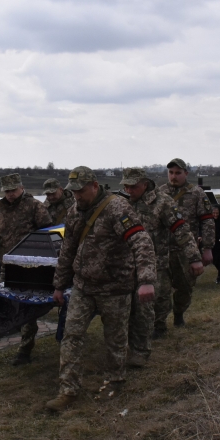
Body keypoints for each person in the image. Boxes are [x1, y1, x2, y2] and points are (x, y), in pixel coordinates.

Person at [45, 167, 156, 412]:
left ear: (95, 185)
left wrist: (146, 279)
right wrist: (59, 285)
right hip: (83, 287)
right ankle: (68, 390)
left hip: (115, 287)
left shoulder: (117, 208)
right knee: (71, 336)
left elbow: (141, 240)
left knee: (115, 340)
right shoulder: (74, 211)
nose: (77, 196)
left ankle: (115, 380)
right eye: (73, 191)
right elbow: (67, 250)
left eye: (81, 191)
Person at [119, 167, 202, 363]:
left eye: (133, 186)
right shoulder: (121, 204)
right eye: (126, 186)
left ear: (145, 184)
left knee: (157, 300)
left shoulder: (162, 203)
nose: (129, 190)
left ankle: (156, 331)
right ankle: (135, 338)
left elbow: (181, 230)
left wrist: (194, 257)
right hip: (126, 264)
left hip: (156, 262)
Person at [0, 173, 53, 366]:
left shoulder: (35, 206)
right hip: (7, 265)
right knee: (8, 306)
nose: (10, 194)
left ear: (21, 187)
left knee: (27, 308)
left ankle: (25, 350)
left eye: (13, 190)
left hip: (29, 266)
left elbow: (49, 233)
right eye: (7, 191)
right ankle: (5, 338)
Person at [157, 158, 214, 327]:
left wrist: (208, 248)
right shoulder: (159, 193)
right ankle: (159, 324)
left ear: (186, 174)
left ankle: (179, 313)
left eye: (177, 173)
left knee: (185, 287)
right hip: (163, 249)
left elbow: (208, 221)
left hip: (185, 250)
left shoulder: (197, 193)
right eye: (171, 173)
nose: (173, 176)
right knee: (161, 289)